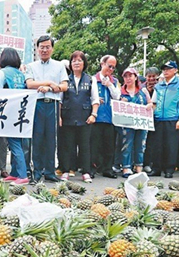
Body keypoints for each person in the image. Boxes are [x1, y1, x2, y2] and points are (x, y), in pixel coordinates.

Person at [25, 35, 68, 183]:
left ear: (52, 48)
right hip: (37, 105)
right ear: (37, 49)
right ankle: (36, 172)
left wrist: (48, 87)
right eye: (41, 47)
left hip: (54, 104)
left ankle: (50, 171)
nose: (44, 50)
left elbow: (64, 86)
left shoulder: (59, 66)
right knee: (37, 138)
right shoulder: (31, 66)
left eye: (47, 47)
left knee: (51, 139)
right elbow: (30, 84)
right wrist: (50, 83)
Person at [59, 51, 99, 183]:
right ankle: (66, 170)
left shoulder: (90, 79)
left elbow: (95, 99)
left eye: (79, 60)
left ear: (84, 63)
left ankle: (86, 172)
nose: (76, 63)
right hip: (67, 117)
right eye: (74, 60)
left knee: (85, 146)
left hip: (85, 117)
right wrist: (59, 116)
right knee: (67, 146)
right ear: (70, 64)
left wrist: (93, 114)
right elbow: (60, 100)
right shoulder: (65, 79)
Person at [149, 60, 179, 178]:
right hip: (158, 118)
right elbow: (154, 102)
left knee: (171, 145)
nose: (166, 71)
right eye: (164, 69)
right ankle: (156, 168)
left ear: (175, 70)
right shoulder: (158, 86)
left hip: (173, 118)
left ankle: (169, 169)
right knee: (157, 145)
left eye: (169, 69)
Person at [0, 48, 29, 185]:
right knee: (18, 142)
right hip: (21, 111)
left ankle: (22, 175)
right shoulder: (20, 74)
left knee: (14, 143)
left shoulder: (2, 73)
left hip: (8, 112)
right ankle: (15, 173)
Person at [90, 55, 120, 179]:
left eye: (113, 67)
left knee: (109, 146)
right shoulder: (92, 79)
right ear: (102, 64)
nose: (111, 69)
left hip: (109, 118)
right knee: (94, 145)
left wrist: (109, 85)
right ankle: (91, 168)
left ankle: (107, 169)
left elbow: (117, 96)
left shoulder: (115, 81)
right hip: (96, 118)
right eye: (109, 66)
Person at [118, 67, 151, 177]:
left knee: (140, 145)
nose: (128, 78)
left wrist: (149, 106)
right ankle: (126, 167)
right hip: (126, 123)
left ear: (135, 77)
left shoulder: (143, 91)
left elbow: (151, 103)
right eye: (125, 76)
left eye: (130, 76)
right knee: (126, 144)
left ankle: (139, 166)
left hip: (141, 121)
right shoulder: (120, 91)